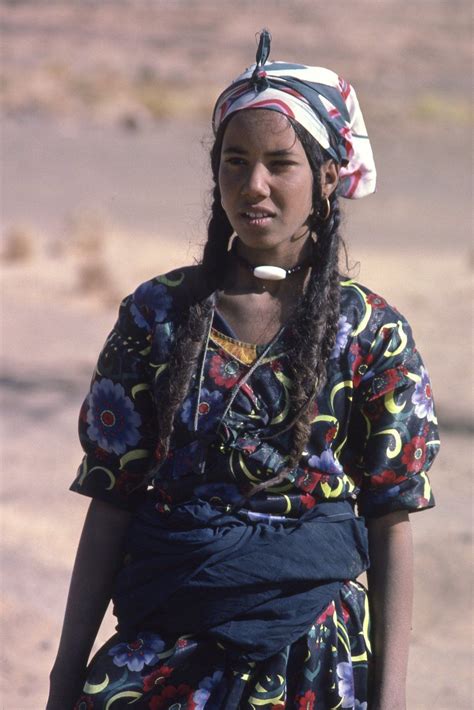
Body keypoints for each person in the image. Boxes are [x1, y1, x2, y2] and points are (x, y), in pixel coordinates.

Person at [47, 30, 439, 710]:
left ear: (324, 179)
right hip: (167, 642)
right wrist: (64, 678)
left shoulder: (372, 333)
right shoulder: (157, 316)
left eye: (279, 163)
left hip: (313, 655)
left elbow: (390, 519)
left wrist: (392, 694)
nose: (253, 185)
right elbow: (112, 500)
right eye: (235, 162)